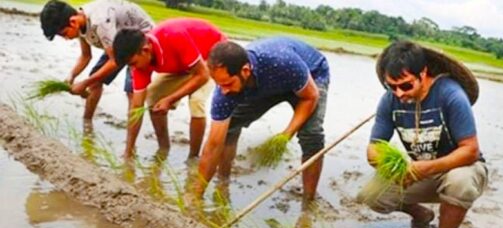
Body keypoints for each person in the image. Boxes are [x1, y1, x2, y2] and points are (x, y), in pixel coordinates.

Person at [357, 40, 487, 228]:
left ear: (423, 74)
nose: (399, 93)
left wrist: (425, 168)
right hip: (420, 169)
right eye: (392, 86)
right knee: (371, 195)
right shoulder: (390, 100)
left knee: (459, 182)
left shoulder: (451, 95)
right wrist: (387, 164)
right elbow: (374, 147)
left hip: (460, 168)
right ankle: (421, 214)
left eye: (406, 85)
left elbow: (470, 150)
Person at [193, 37, 330, 201]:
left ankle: (308, 200)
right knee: (229, 128)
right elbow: (213, 145)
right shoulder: (224, 91)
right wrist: (196, 195)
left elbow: (310, 96)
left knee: (312, 135)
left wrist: (286, 134)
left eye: (228, 84)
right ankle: (223, 183)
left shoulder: (281, 61)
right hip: (265, 84)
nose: (224, 91)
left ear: (245, 71)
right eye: (219, 84)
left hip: (311, 77)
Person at [112, 18, 225, 159]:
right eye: (130, 65)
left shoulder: (173, 36)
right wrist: (129, 151)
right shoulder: (140, 63)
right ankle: (163, 149)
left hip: (212, 56)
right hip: (185, 63)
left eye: (134, 63)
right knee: (153, 96)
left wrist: (170, 99)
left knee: (196, 101)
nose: (133, 69)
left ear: (145, 50)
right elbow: (136, 107)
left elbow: (202, 75)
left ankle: (193, 157)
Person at [39, 0, 154, 125]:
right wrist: (71, 77)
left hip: (141, 40)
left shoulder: (99, 22)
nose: (66, 39)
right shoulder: (81, 22)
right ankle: (87, 124)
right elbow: (85, 56)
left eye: (64, 34)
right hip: (117, 41)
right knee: (95, 83)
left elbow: (115, 60)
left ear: (73, 22)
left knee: (132, 92)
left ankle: (131, 142)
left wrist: (84, 83)